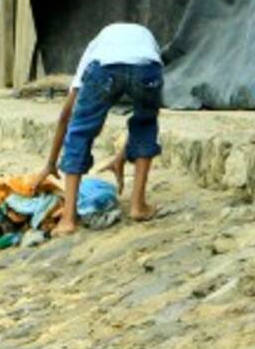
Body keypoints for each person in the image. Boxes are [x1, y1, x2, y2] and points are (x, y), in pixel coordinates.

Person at [35, 23, 164, 237]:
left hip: (106, 69)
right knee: (145, 124)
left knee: (80, 132)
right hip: (147, 67)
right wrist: (121, 156)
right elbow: (141, 121)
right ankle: (138, 206)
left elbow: (67, 116)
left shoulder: (95, 49)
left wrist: (51, 163)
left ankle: (68, 219)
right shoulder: (146, 42)